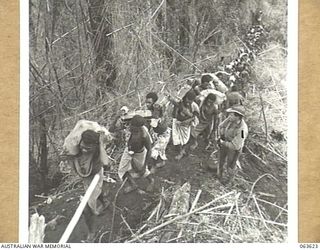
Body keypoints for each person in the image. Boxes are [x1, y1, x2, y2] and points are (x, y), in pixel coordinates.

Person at [64, 130, 111, 242]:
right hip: (86, 178)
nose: (84, 150)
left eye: (88, 148)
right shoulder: (78, 147)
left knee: (87, 208)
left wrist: (100, 144)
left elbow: (105, 163)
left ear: (95, 146)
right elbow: (70, 156)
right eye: (83, 146)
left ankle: (91, 232)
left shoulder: (98, 150)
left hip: (96, 177)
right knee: (95, 194)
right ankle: (105, 202)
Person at [118, 115, 154, 193]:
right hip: (128, 151)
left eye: (134, 126)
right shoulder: (130, 127)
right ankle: (133, 184)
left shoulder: (144, 135)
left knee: (142, 170)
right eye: (131, 125)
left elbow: (149, 150)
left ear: (139, 127)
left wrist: (144, 165)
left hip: (139, 153)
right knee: (122, 169)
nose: (132, 127)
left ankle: (151, 181)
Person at [217, 105, 248, 185]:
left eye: (231, 115)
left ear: (238, 117)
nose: (229, 116)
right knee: (221, 160)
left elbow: (236, 146)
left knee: (230, 165)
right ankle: (219, 175)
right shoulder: (230, 120)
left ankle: (229, 180)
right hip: (225, 142)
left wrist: (222, 142)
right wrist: (221, 133)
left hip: (233, 149)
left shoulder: (242, 131)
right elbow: (221, 126)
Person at [170, 90, 199, 160]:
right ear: (185, 97)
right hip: (178, 122)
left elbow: (195, 116)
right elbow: (175, 113)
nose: (188, 102)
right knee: (176, 137)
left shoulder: (194, 106)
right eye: (188, 99)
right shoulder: (180, 103)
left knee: (185, 139)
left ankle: (182, 151)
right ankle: (180, 151)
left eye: (191, 100)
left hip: (186, 124)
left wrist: (187, 121)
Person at [149, 104, 171, 171]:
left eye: (157, 112)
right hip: (157, 135)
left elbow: (156, 126)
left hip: (163, 136)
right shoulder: (154, 118)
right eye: (154, 111)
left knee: (154, 151)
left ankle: (154, 166)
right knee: (158, 151)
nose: (155, 113)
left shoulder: (160, 119)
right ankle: (161, 162)